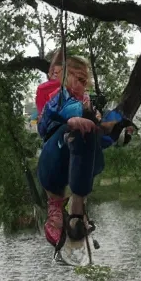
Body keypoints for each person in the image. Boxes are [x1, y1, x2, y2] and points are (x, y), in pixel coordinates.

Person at [36, 55, 108, 248]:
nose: (81, 84)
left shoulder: (88, 104)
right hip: (54, 163)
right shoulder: (55, 98)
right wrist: (70, 119)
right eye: (78, 78)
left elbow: (105, 137)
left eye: (85, 81)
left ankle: (77, 207)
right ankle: (56, 207)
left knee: (89, 130)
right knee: (76, 129)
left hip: (81, 165)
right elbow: (43, 125)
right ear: (64, 77)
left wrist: (113, 127)